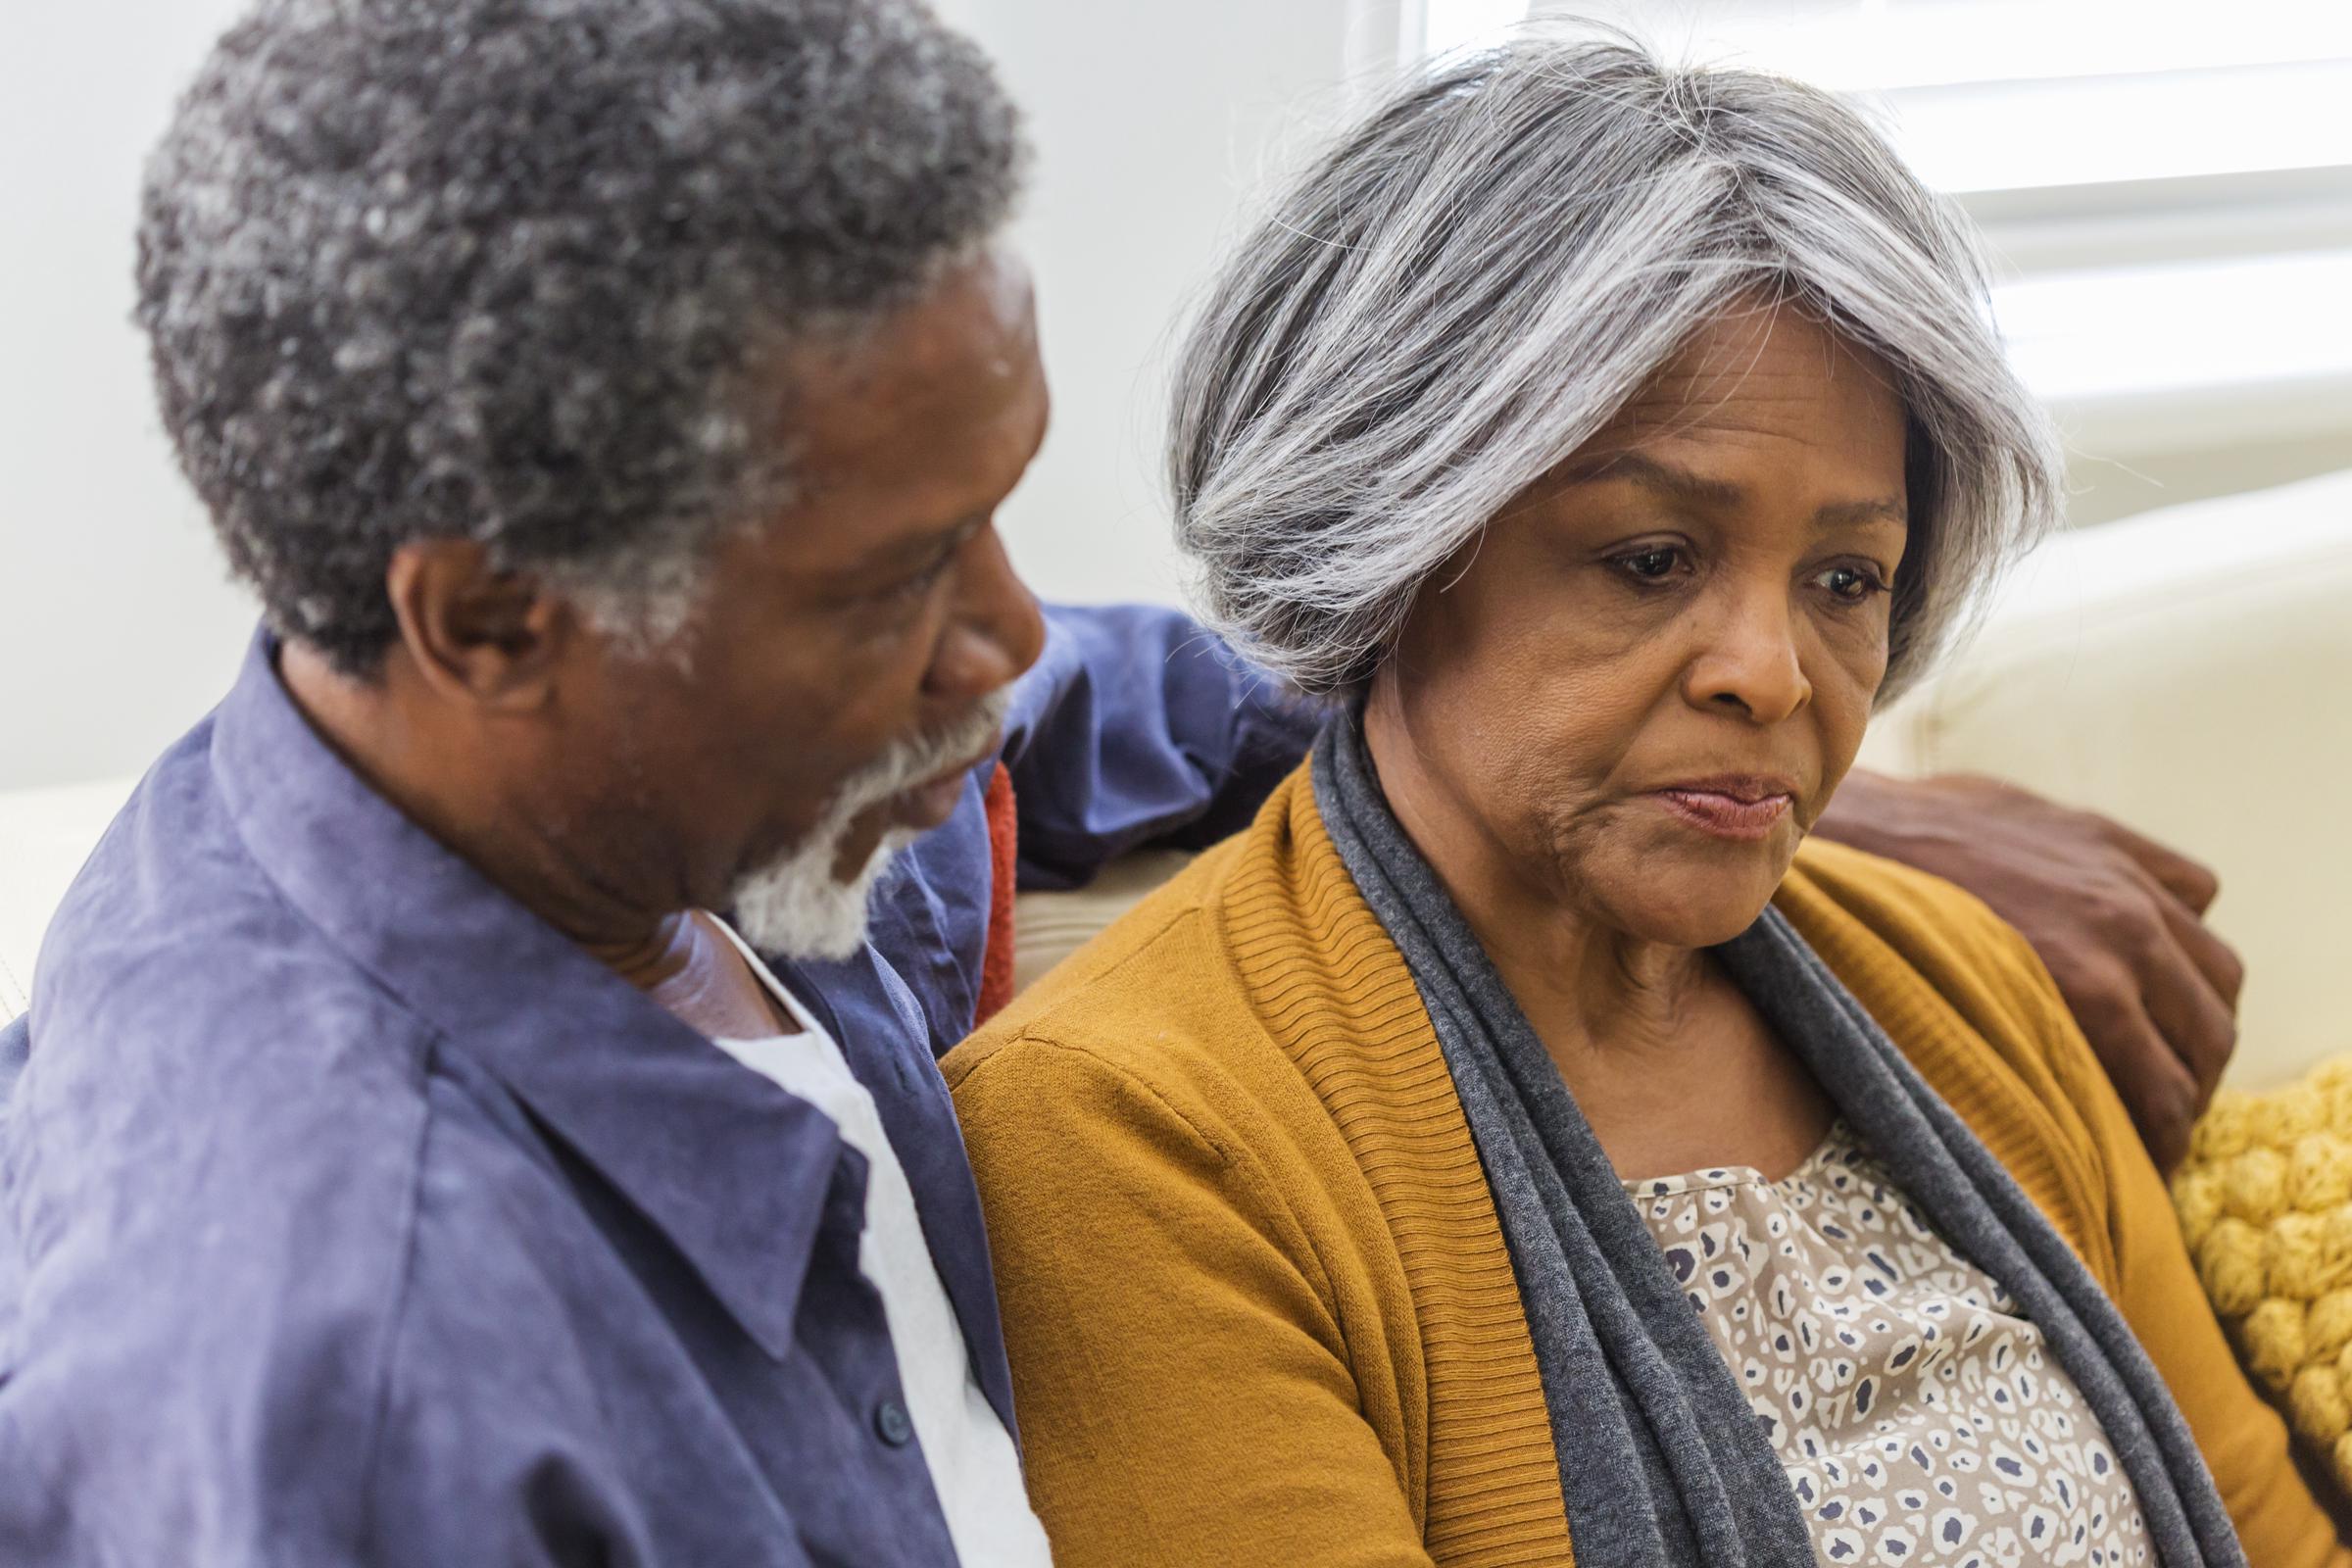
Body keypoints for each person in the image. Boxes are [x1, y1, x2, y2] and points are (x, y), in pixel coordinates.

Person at [0, 2, 2255, 1564]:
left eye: (1002, 508)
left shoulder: (710, 816)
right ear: (493, 617)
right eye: (900, 575)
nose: (1013, 643)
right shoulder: (350, 1388)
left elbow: (1206, 683)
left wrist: (1714, 778)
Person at [944, 38, 2347, 1568]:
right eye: (1652, 559)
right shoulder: (1127, 1136)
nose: (1775, 673)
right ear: (1397, 541)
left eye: (1844, 581)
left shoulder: (1962, 979)